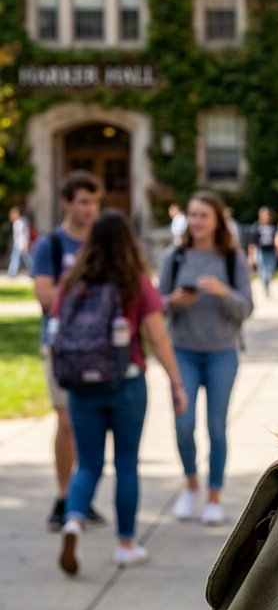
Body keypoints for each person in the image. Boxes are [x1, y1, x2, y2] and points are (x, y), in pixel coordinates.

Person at [54, 210, 188, 576]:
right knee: (126, 463)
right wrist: (177, 383)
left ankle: (73, 521)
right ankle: (125, 544)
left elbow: (56, 330)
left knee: (89, 463)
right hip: (126, 382)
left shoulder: (71, 281)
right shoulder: (136, 282)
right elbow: (158, 338)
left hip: (83, 384)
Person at [159, 190, 253, 525]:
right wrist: (173, 301)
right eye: (193, 215)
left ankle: (214, 496)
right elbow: (155, 306)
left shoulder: (232, 259)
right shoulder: (175, 257)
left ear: (217, 221)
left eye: (203, 215)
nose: (197, 221)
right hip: (182, 351)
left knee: (216, 427)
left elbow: (247, 308)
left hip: (221, 354)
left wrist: (222, 291)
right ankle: (190, 484)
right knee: (183, 425)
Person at [32, 171, 107, 531]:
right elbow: (45, 297)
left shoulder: (104, 244)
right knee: (66, 422)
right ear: (66, 202)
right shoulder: (52, 245)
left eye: (95, 202)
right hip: (61, 345)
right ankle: (64, 497)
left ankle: (82, 498)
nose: (90, 209)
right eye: (83, 201)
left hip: (100, 348)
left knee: (92, 425)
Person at [247, 206, 278, 296]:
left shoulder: (273, 226)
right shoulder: (256, 226)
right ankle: (265, 287)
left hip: (271, 251)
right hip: (260, 250)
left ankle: (267, 285)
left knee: (271, 270)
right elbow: (251, 242)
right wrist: (251, 255)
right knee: (263, 270)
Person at [7, 206, 32, 277]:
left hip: (22, 244)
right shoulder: (16, 223)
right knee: (15, 257)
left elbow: (24, 234)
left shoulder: (21, 222)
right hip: (17, 244)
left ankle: (33, 270)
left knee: (27, 259)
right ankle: (12, 272)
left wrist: (25, 244)